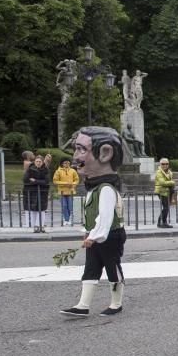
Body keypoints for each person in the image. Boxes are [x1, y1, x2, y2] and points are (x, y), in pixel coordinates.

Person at [61, 126, 128, 317]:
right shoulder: (95, 188)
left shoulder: (105, 188)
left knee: (112, 267)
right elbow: (94, 216)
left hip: (110, 235)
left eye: (81, 149)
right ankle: (83, 305)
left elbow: (105, 219)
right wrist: (88, 231)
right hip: (97, 235)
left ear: (105, 153)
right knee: (91, 269)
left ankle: (116, 303)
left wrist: (95, 235)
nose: (75, 156)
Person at [23, 154, 51, 233]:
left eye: (40, 161)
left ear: (42, 162)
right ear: (34, 162)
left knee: (41, 210)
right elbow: (26, 180)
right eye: (37, 161)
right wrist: (39, 182)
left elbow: (46, 181)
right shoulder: (30, 169)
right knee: (32, 210)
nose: (38, 163)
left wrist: (35, 181)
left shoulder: (45, 169)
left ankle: (40, 225)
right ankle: (33, 226)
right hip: (31, 192)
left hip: (42, 192)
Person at [52, 158, 80, 226]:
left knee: (70, 206)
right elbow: (55, 181)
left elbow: (77, 179)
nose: (67, 164)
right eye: (65, 163)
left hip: (70, 191)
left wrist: (73, 184)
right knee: (64, 206)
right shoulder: (58, 171)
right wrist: (65, 183)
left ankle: (68, 219)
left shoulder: (73, 171)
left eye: (68, 163)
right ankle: (66, 219)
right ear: (62, 163)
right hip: (62, 191)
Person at [154, 158, 175, 228]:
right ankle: (162, 222)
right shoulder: (159, 172)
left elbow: (166, 182)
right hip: (161, 191)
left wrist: (170, 185)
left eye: (166, 164)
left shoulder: (169, 172)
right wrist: (172, 182)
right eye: (163, 164)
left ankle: (161, 222)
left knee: (167, 207)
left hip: (168, 191)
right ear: (160, 164)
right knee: (166, 207)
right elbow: (162, 182)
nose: (165, 165)